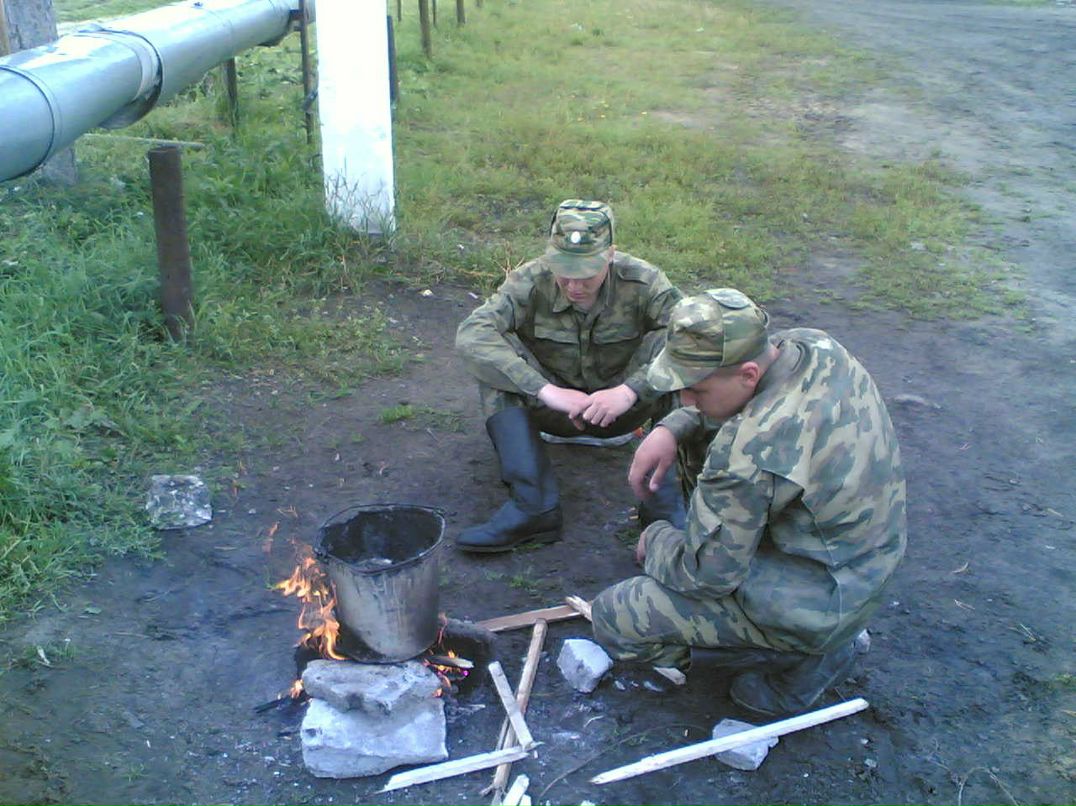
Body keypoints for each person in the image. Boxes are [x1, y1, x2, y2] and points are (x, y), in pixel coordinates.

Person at [591, 288, 907, 717]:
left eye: (696, 391)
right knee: (701, 430)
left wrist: (657, 539)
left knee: (617, 616)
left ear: (749, 374)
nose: (686, 400)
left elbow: (705, 577)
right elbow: (729, 404)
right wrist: (672, 426)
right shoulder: (814, 346)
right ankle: (820, 636)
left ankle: (801, 660)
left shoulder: (747, 452)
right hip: (863, 565)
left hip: (819, 602)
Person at [454, 199, 685, 553]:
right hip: (553, 411)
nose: (574, 285)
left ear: (610, 255)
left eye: (586, 273)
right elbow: (473, 333)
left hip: (624, 410)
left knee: (677, 348)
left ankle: (664, 511)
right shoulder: (531, 280)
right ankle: (534, 507)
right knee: (496, 356)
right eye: (564, 270)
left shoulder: (643, 281)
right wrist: (545, 390)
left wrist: (630, 390)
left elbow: (696, 336)